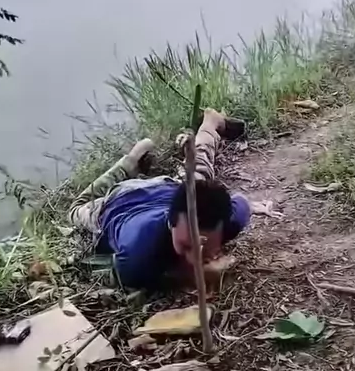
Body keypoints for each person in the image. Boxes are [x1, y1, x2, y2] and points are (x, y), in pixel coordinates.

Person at [68, 109, 251, 288]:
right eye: (187, 246)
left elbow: (242, 202)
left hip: (166, 187)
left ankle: (210, 123)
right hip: (119, 200)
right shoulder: (139, 250)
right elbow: (115, 273)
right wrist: (197, 273)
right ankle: (128, 164)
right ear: (170, 222)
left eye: (206, 246)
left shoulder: (228, 221)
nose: (194, 256)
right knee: (75, 210)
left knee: (200, 174)